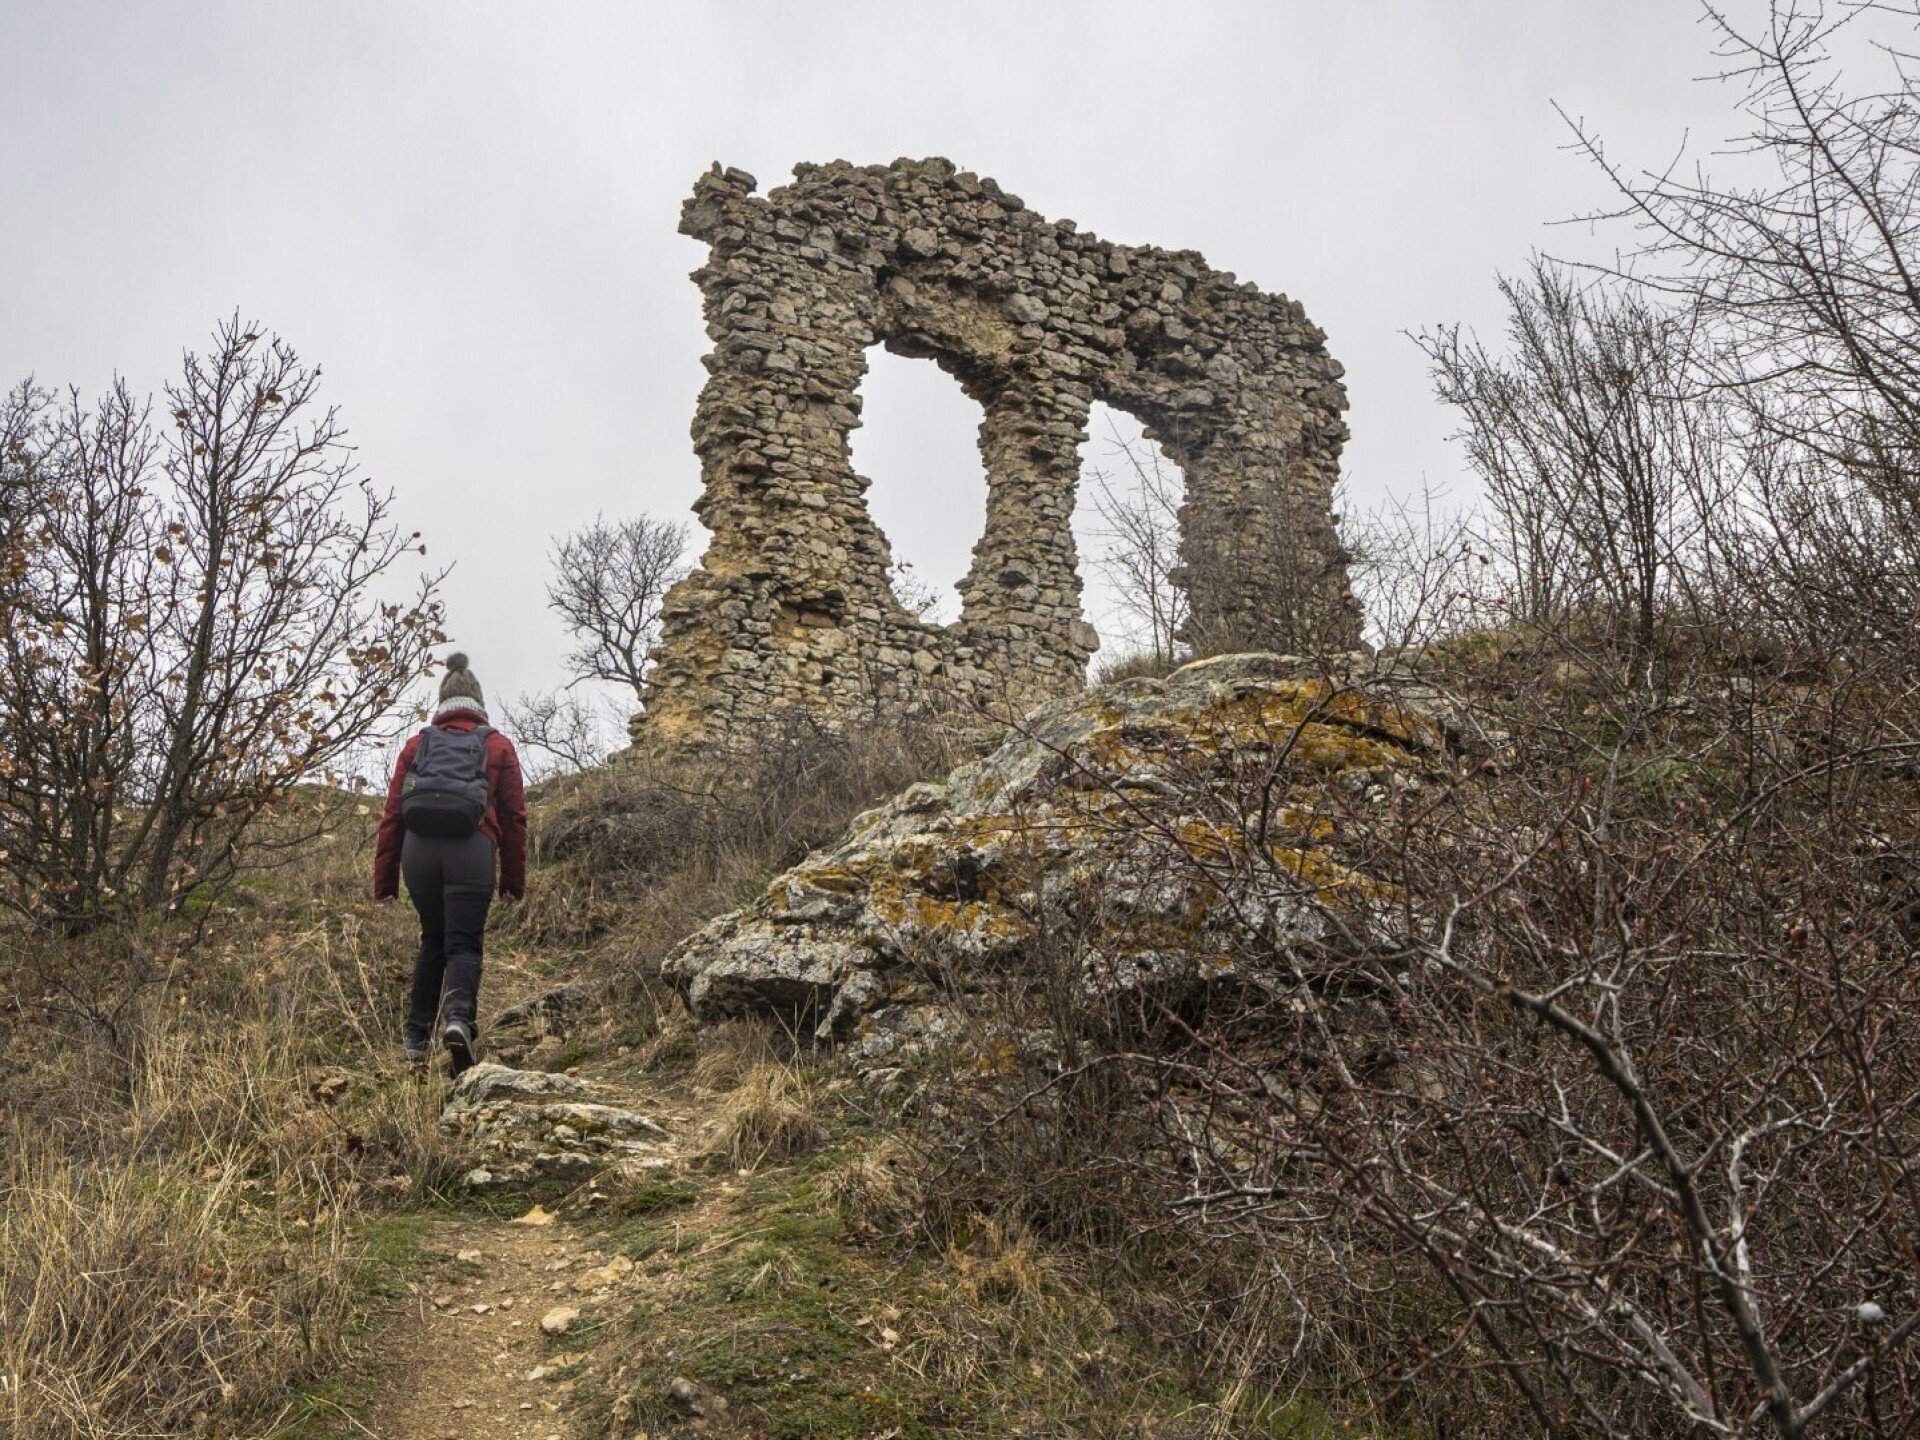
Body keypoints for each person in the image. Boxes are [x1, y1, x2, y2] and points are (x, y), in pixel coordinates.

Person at [373, 653, 528, 1073]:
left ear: (442, 700)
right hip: (471, 850)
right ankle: (458, 1021)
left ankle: (416, 1040)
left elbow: (393, 815)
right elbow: (514, 818)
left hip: (418, 853)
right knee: (463, 944)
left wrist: (384, 881)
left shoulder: (416, 744)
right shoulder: (497, 745)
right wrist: (513, 881)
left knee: (433, 940)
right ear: (478, 701)